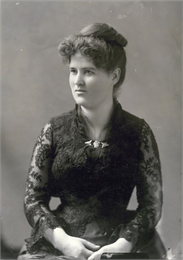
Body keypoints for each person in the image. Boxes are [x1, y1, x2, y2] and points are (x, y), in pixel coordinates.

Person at [18, 23, 166, 260]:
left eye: (89, 72)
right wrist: (64, 243)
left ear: (114, 76)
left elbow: (151, 205)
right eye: (73, 71)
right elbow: (33, 200)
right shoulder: (54, 130)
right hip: (61, 246)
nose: (77, 81)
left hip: (119, 246)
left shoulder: (138, 132)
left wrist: (124, 244)